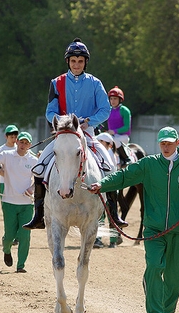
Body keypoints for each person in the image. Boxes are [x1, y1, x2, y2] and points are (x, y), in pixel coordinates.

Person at [88, 126, 179, 313]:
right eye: (162, 143)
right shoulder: (148, 164)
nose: (166, 147)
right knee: (155, 267)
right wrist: (101, 185)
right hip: (154, 230)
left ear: (178, 142)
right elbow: (124, 176)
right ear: (159, 144)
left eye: (169, 143)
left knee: (174, 277)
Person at [23, 37, 127, 230]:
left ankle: (113, 214)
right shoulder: (57, 82)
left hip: (87, 134)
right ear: (68, 62)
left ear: (85, 62)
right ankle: (38, 214)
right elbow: (50, 111)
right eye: (73, 61)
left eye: (80, 61)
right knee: (38, 168)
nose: (76, 65)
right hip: (64, 135)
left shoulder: (96, 83)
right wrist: (62, 123)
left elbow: (104, 109)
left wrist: (89, 121)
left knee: (111, 167)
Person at [0, 132, 37, 272]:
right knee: (9, 236)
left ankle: (20, 265)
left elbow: (40, 180)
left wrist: (32, 188)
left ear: (30, 145)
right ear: (16, 142)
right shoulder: (7, 155)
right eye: (21, 142)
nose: (23, 145)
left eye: (26, 143)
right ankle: (6, 249)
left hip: (27, 204)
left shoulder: (33, 160)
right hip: (9, 202)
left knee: (25, 235)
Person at [93, 132, 119, 248]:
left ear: (106, 143)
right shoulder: (108, 153)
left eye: (100, 141)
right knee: (106, 214)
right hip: (104, 187)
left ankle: (107, 239)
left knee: (108, 214)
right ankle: (109, 240)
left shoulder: (108, 153)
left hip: (108, 187)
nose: (98, 143)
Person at [107, 86, 132, 167]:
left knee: (114, 141)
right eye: (111, 99)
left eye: (115, 99)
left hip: (123, 137)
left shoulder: (125, 110)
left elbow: (126, 127)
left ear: (120, 100)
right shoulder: (108, 110)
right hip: (112, 136)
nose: (113, 101)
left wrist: (114, 131)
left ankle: (126, 158)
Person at [0, 125, 19, 195]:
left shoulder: (20, 149)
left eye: (15, 137)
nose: (14, 139)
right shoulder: (1, 150)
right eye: (11, 137)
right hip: (4, 182)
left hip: (18, 183)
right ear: (6, 137)